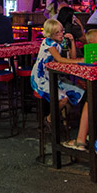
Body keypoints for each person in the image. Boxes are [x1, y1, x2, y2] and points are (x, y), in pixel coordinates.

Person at [30, 19, 90, 150]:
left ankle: (62, 121)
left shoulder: (60, 41)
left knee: (79, 92)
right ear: (50, 34)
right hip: (41, 77)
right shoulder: (48, 42)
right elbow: (59, 59)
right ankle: (50, 119)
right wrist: (81, 61)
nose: (61, 34)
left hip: (56, 76)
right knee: (63, 99)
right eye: (57, 32)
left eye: (62, 31)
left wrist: (72, 42)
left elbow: (71, 58)